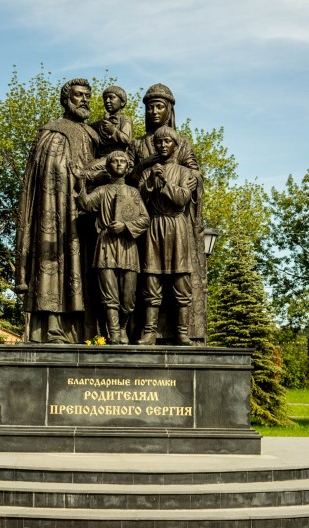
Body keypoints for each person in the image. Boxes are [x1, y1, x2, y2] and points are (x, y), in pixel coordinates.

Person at [14, 78, 98, 343]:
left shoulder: (94, 134)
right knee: (55, 263)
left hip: (87, 214)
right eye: (77, 95)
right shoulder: (52, 132)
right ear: (65, 100)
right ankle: (53, 327)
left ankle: (87, 330)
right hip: (56, 210)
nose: (83, 100)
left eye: (87, 96)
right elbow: (46, 174)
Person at [137, 126, 203, 345]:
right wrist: (150, 181)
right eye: (159, 142)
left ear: (175, 146)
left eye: (167, 142)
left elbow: (182, 198)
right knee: (151, 278)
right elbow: (139, 199)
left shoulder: (185, 172)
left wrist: (164, 183)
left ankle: (182, 332)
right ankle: (149, 332)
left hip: (177, 227)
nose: (163, 145)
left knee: (180, 279)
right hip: (154, 227)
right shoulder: (149, 171)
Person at [78, 150, 150, 344]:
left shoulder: (133, 193)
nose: (119, 164)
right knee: (109, 295)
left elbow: (145, 219)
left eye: (122, 161)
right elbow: (85, 204)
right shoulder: (102, 191)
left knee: (128, 299)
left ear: (127, 167)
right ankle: (115, 333)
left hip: (128, 247)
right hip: (106, 246)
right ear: (108, 166)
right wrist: (81, 183)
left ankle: (123, 328)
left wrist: (126, 226)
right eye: (115, 161)